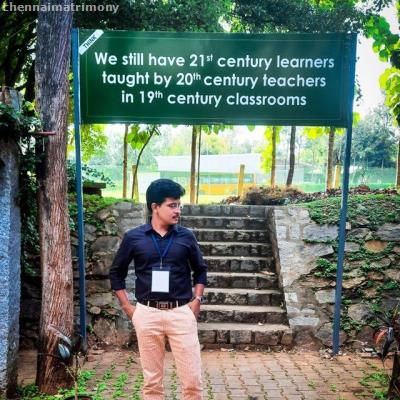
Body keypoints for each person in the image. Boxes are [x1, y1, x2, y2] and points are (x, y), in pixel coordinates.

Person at [109, 178, 207, 400]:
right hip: (147, 313)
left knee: (192, 381)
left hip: (181, 312)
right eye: (172, 205)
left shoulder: (186, 237)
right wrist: (128, 307)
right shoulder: (134, 237)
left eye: (179, 205)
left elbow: (200, 270)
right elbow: (116, 273)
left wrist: (197, 300)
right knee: (152, 383)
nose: (177, 210)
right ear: (155, 206)